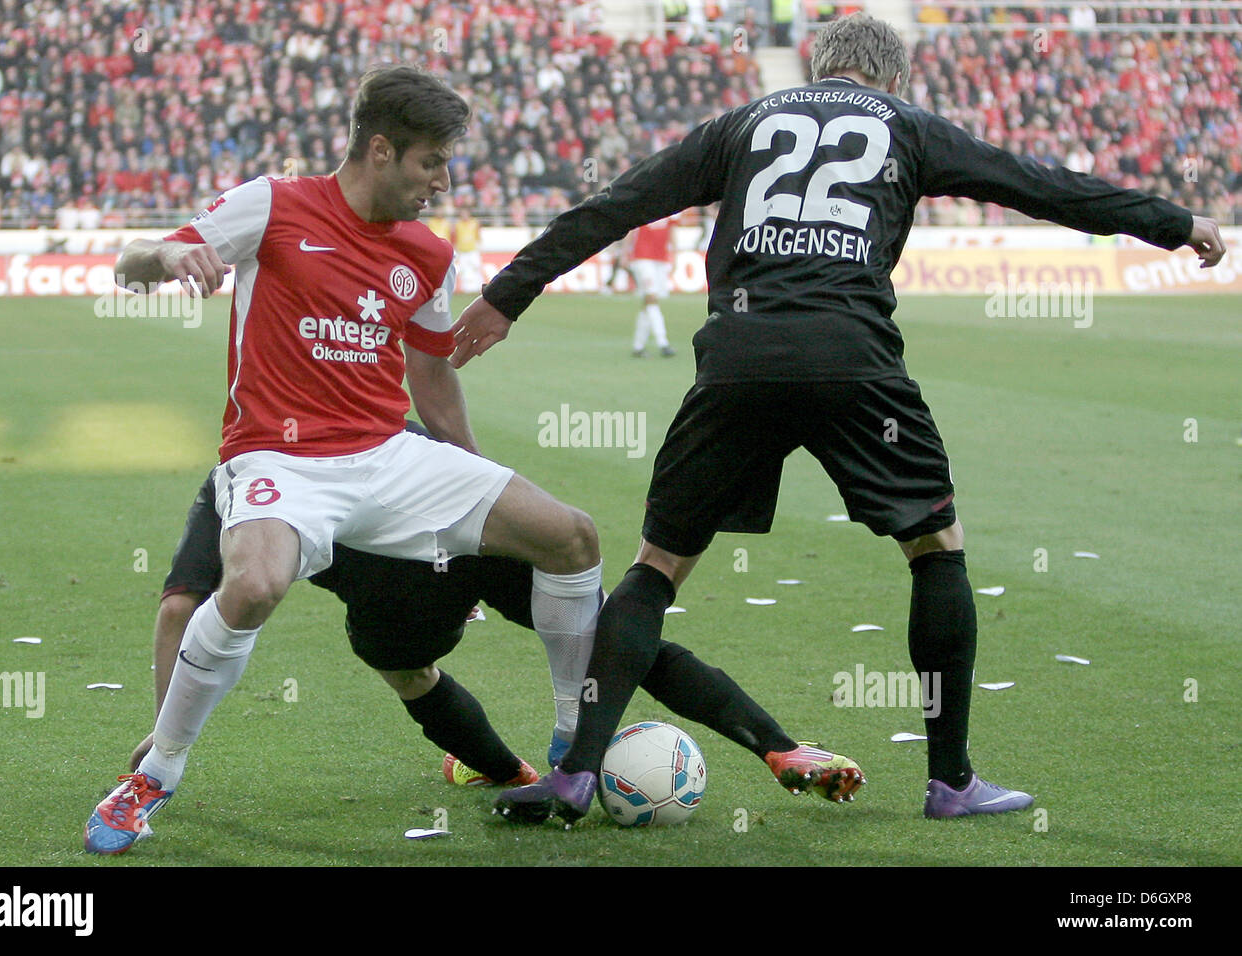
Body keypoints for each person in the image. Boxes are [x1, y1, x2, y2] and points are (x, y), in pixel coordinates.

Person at [450, 14, 1227, 825]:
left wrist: (507, 296)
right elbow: (1047, 186)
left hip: (738, 360)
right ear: (893, 80)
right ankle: (951, 781)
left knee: (657, 567)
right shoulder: (910, 126)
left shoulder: (741, 124)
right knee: (934, 546)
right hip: (854, 359)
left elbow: (614, 206)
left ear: (819, 67)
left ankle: (574, 772)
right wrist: (1176, 224)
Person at [83, 66, 605, 854]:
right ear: (382, 151)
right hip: (279, 458)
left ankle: (570, 743)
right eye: (431, 162)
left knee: (571, 534)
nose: (441, 181)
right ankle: (155, 772)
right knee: (253, 584)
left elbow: (430, 377)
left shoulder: (428, 255)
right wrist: (164, 258)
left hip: (389, 457)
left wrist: (470, 485)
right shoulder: (275, 204)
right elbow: (129, 263)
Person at [131, 454, 863, 814]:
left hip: (396, 614)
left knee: (409, 672)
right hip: (481, 560)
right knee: (617, 642)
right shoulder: (389, 430)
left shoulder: (240, 476)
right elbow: (471, 464)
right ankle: (777, 748)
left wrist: (163, 727)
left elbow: (178, 610)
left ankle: (513, 773)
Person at [628, 215, 677, 358]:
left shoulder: (672, 208)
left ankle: (638, 346)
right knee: (652, 299)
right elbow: (632, 229)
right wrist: (626, 252)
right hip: (643, 258)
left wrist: (674, 255)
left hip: (661, 259)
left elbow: (672, 231)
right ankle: (663, 343)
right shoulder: (645, 204)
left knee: (647, 304)